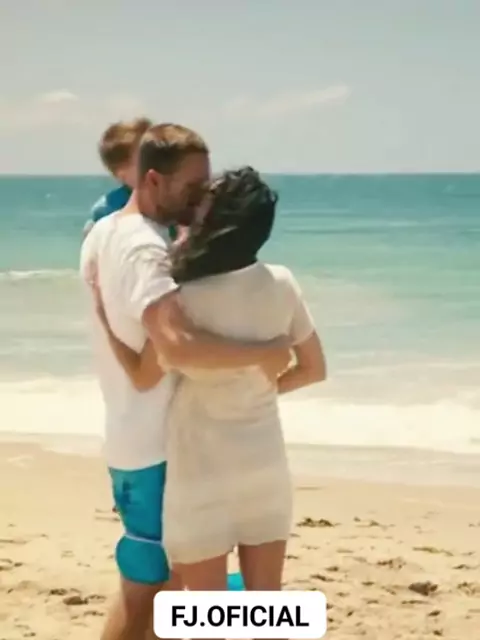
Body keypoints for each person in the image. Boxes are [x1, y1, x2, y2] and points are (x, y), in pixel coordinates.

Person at [79, 124, 291, 640]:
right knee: (153, 594)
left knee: (159, 591)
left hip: (135, 438)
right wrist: (265, 355)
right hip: (157, 449)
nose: (201, 198)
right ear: (153, 180)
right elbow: (176, 347)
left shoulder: (105, 230)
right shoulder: (146, 250)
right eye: (193, 186)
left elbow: (148, 355)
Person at [91, 165, 326, 596]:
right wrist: (258, 389)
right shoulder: (282, 282)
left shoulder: (183, 297)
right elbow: (314, 369)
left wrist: (104, 319)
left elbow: (143, 376)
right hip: (264, 465)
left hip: (201, 474)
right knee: (265, 607)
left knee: (204, 616)